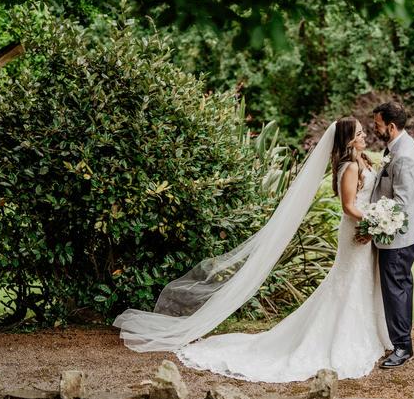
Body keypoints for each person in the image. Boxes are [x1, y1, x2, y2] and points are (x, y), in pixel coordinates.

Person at [114, 117, 392, 382]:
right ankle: (339, 339)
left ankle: (364, 334)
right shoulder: (350, 167)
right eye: (358, 133)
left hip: (363, 230)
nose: (364, 135)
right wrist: (373, 221)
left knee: (358, 282)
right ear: (348, 140)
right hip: (356, 231)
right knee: (347, 282)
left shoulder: (362, 160)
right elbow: (348, 206)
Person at [370, 101, 414, 369]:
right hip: (400, 234)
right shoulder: (396, 148)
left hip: (398, 237)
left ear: (391, 126)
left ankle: (403, 347)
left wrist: (372, 224)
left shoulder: (404, 155)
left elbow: (401, 204)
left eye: (378, 125)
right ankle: (400, 341)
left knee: (396, 289)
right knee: (400, 286)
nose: (375, 129)